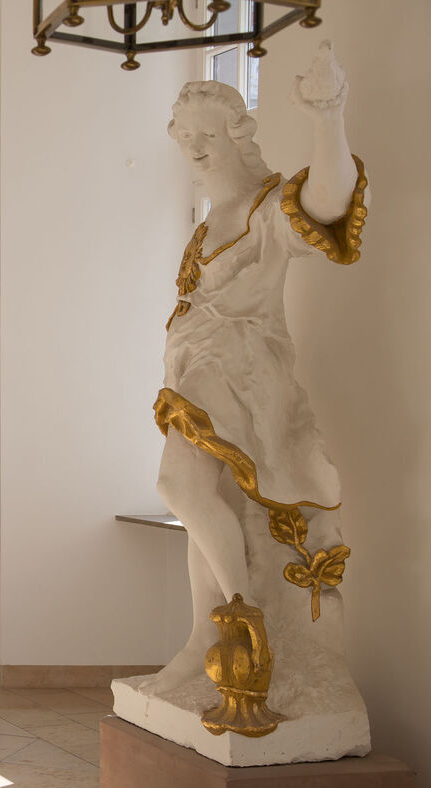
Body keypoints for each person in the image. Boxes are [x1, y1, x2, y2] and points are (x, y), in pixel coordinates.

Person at [144, 42, 368, 694]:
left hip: (243, 373)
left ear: (236, 137)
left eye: (206, 135)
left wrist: (328, 114)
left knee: (179, 487)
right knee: (203, 499)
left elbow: (328, 203)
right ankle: (204, 634)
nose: (194, 147)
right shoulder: (208, 222)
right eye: (184, 136)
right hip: (195, 372)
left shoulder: (270, 207)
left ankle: (244, 614)